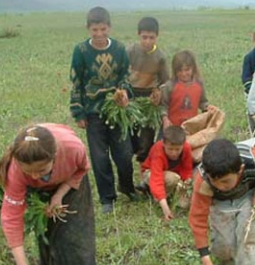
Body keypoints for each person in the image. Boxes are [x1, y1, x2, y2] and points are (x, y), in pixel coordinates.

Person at [0, 124, 97, 265]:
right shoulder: (17, 170)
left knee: (75, 240)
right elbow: (11, 218)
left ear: (54, 157)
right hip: (39, 193)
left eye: (42, 170)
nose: (35, 176)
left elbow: (81, 169)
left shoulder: (72, 148)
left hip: (69, 183)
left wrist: (59, 194)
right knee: (50, 241)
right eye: (30, 172)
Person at [69, 6, 138, 214]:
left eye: (103, 29)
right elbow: (76, 82)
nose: (99, 34)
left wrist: (124, 93)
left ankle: (127, 187)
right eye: (95, 30)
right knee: (99, 157)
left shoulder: (118, 49)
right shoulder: (80, 51)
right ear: (88, 29)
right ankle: (107, 197)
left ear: (109, 27)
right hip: (93, 111)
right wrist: (78, 112)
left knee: (124, 153)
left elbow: (125, 76)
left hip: (116, 110)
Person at [189, 138, 255, 265]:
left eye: (225, 181)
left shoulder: (254, 162)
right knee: (223, 243)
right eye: (215, 182)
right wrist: (205, 259)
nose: (220, 186)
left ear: (240, 170)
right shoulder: (204, 182)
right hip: (219, 203)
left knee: (248, 234)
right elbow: (197, 219)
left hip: (246, 196)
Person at [127, 16, 170, 164]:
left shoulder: (160, 57)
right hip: (131, 94)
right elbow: (121, 72)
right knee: (131, 128)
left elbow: (165, 81)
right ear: (138, 35)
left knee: (147, 133)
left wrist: (158, 92)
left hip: (149, 97)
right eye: (144, 37)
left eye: (151, 38)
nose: (147, 41)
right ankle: (135, 149)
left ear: (157, 36)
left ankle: (144, 161)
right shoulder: (131, 51)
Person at [137, 126, 192, 222]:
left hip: (172, 173)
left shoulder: (187, 148)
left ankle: (169, 195)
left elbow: (187, 170)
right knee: (172, 178)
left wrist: (186, 184)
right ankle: (158, 199)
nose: (174, 153)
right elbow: (156, 179)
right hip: (151, 173)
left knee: (184, 204)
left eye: (177, 149)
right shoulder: (158, 151)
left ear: (183, 145)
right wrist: (165, 208)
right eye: (170, 149)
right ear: (164, 144)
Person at [161, 50, 216, 130]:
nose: (183, 74)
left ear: (193, 68)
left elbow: (203, 102)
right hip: (172, 127)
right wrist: (165, 119)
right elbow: (163, 106)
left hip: (191, 127)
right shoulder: (170, 86)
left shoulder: (199, 84)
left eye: (187, 70)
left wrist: (209, 109)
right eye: (180, 71)